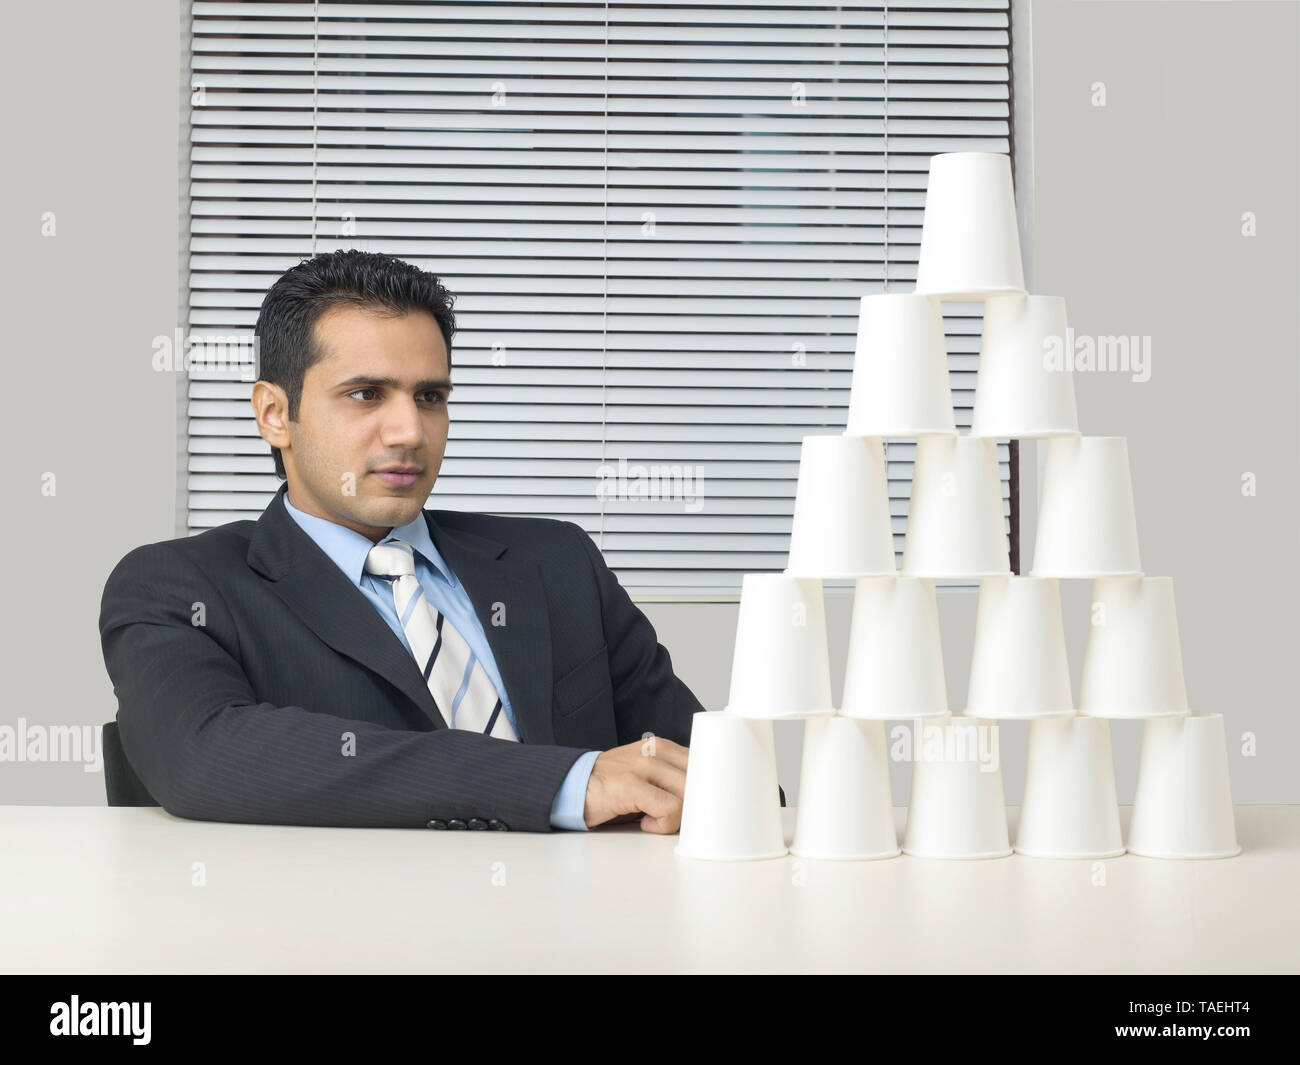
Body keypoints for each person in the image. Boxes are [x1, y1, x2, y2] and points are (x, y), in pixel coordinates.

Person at [98, 249, 705, 834]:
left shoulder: (558, 561)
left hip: (595, 924)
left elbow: (702, 770)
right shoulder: (178, 587)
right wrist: (568, 782)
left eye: (430, 397)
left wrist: (709, 799)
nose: (410, 431)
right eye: (366, 394)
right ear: (274, 414)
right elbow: (205, 755)